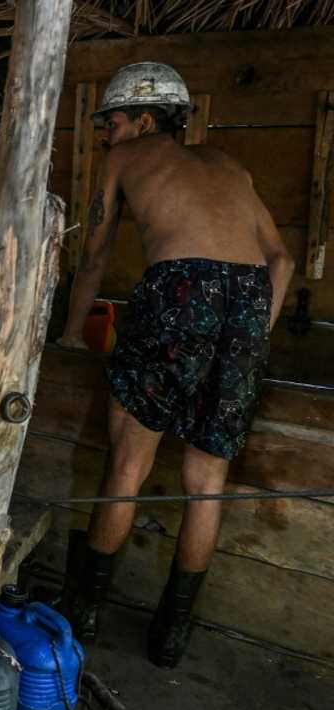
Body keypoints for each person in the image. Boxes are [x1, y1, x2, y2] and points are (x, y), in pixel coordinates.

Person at [56, 62, 295, 667]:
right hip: (246, 303)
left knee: (127, 466)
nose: (106, 133)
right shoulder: (228, 166)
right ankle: (172, 636)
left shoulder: (123, 159)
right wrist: (248, 340)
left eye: (112, 121)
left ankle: (82, 614)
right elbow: (283, 261)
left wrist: (72, 334)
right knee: (206, 484)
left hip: (179, 291)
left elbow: (93, 260)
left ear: (143, 120)